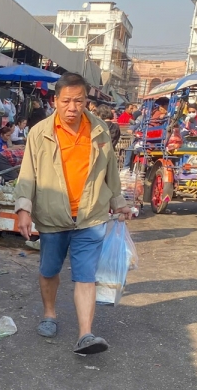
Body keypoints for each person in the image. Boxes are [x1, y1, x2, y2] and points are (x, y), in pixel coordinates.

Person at [15, 72, 131, 355]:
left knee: (85, 276)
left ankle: (85, 334)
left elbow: (110, 172)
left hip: (90, 216)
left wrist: (119, 201)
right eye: (66, 101)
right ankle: (50, 313)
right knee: (49, 269)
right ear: (55, 100)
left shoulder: (100, 130)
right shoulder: (39, 133)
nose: (71, 107)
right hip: (53, 216)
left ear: (86, 101)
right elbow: (27, 174)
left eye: (78, 101)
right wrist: (23, 209)